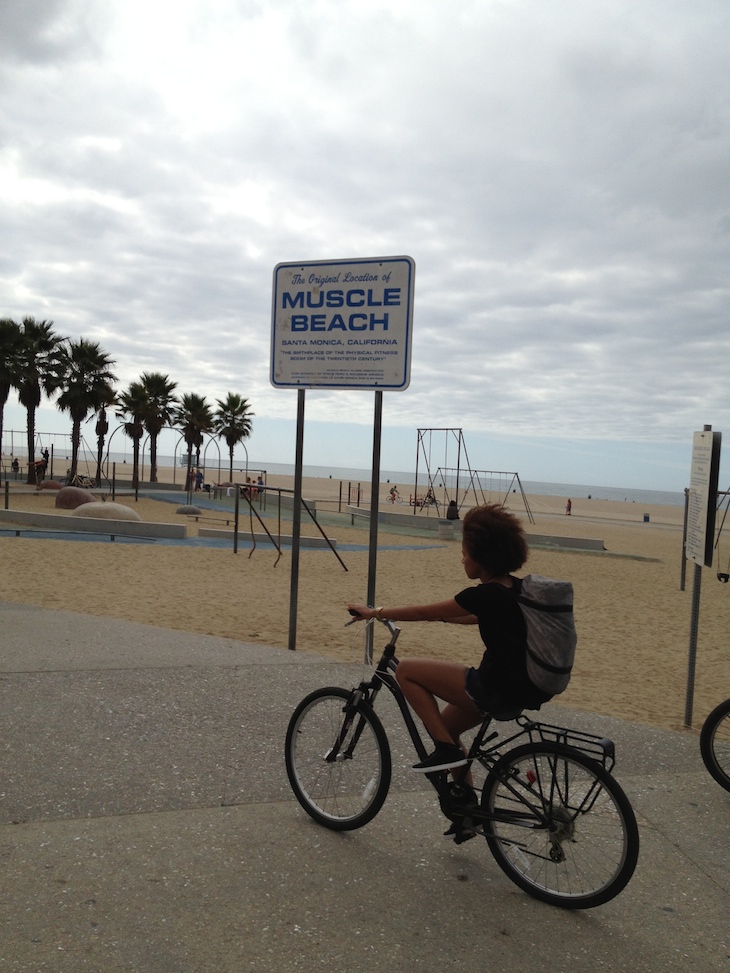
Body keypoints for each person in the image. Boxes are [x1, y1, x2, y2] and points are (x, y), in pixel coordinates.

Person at [347, 503, 552, 774]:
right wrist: (446, 617)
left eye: (464, 553)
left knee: (406, 670)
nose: (462, 559)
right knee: (446, 728)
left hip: (492, 688)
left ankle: (446, 751)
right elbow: (476, 616)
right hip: (518, 690)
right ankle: (466, 808)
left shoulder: (481, 595)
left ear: (480, 555)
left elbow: (422, 612)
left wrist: (374, 612)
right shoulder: (515, 589)